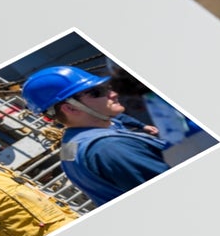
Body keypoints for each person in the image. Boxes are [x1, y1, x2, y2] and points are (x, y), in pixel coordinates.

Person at [19, 65, 171, 205]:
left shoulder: (70, 147)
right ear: (71, 108)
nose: (113, 94)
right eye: (98, 92)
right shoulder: (108, 147)